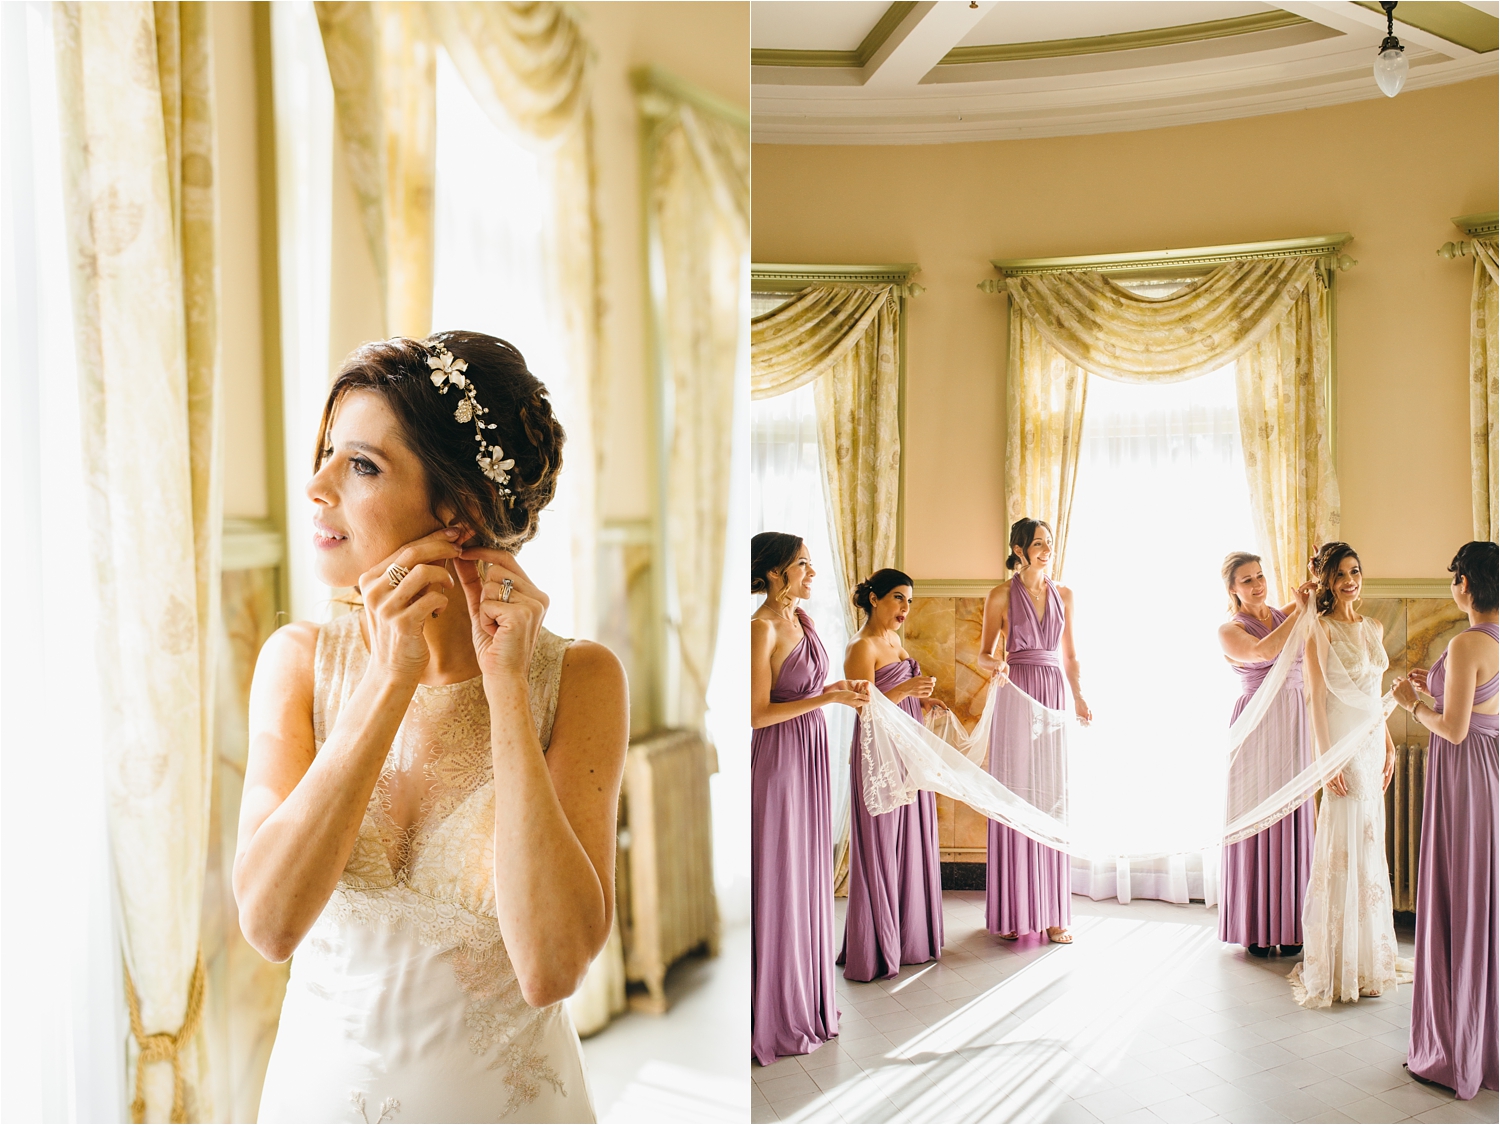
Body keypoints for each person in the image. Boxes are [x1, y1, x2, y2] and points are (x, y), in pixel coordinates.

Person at [238, 334, 628, 1122]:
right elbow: (270, 924)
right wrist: (388, 679)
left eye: (361, 465)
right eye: (325, 453)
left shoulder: (581, 680)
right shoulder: (297, 662)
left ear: (458, 509)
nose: (316, 486)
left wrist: (508, 687)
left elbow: (552, 967)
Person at [750, 534, 868, 1064]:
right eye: (803, 564)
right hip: (779, 757)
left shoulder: (806, 622)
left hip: (811, 749)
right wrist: (826, 697)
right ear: (775, 573)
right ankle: (776, 1007)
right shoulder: (761, 627)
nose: (812, 572)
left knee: (808, 870)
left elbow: (809, 690)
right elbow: (755, 714)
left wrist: (837, 691)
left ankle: (808, 997)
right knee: (783, 872)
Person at [1394, 540, 1499, 1099]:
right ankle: (1485, 1040)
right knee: (1484, 900)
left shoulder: (1465, 643)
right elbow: (1481, 713)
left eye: (1454, 576)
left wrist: (1411, 704)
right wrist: (1430, 686)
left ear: (1465, 584)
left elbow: (1452, 729)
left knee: (1460, 896)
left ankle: (1456, 1048)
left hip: (1462, 775)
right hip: (1491, 774)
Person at [1290, 541, 1412, 1008]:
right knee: (1345, 843)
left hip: (1369, 741)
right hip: (1340, 744)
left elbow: (1374, 692)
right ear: (1326, 580)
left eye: (1355, 571)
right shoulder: (1317, 629)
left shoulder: (1374, 626)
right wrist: (1326, 762)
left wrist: (1387, 742)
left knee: (1369, 840)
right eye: (1340, 574)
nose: (1350, 581)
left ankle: (1370, 960)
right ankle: (1339, 962)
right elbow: (1316, 700)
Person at [978, 518, 1090, 945]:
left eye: (1049, 543)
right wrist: (999, 664)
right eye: (1038, 544)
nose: (1046, 550)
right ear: (1019, 549)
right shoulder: (1000, 595)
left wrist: (1079, 696)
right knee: (1017, 792)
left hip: (1054, 692)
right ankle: (1015, 910)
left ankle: (1055, 913)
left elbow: (1072, 654)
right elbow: (984, 654)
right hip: (1016, 691)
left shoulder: (1065, 594)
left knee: (1053, 796)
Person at [839, 569, 945, 982]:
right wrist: (906, 691)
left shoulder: (894, 641)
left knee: (910, 841)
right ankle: (874, 948)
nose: (905, 607)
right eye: (898, 598)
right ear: (874, 599)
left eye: (909, 601)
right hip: (878, 755)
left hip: (906, 750)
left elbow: (895, 697)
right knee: (882, 843)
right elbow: (861, 706)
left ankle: (910, 939)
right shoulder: (861, 646)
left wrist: (925, 699)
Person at [1216, 553, 1317, 958]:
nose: (1258, 584)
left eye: (1260, 576)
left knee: (1293, 815)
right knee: (1258, 817)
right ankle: (1256, 926)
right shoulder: (1229, 629)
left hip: (1294, 720)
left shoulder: (1282, 612)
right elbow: (1261, 652)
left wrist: (1314, 582)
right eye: (1247, 580)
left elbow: (1314, 601)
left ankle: (1292, 924)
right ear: (1232, 590)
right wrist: (1302, 609)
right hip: (1256, 724)